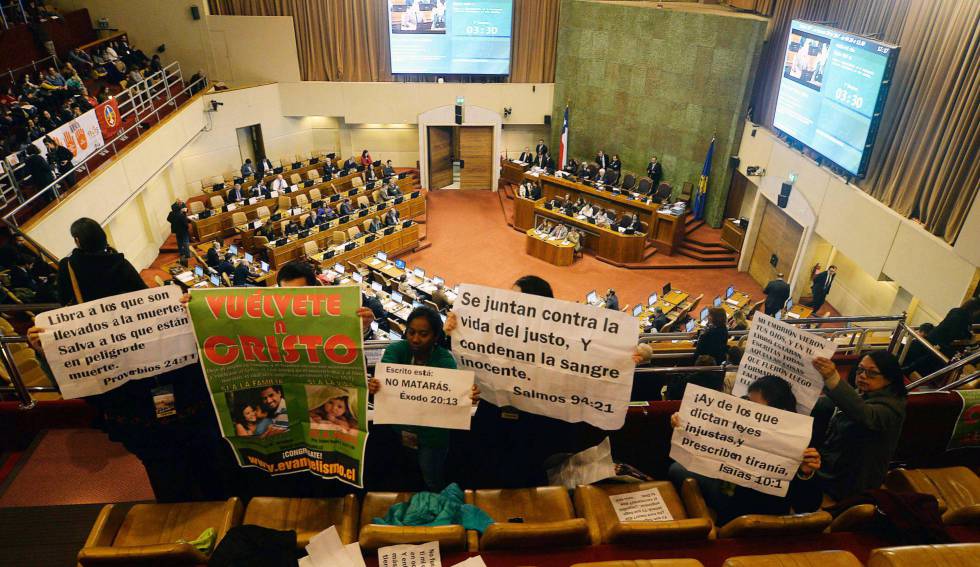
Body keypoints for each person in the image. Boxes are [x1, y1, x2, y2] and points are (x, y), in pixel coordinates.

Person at [31, 218, 232, 502]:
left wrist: (197, 312)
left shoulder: (159, 319)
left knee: (180, 480)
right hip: (160, 422)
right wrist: (49, 347)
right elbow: (79, 384)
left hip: (168, 421)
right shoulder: (120, 267)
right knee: (189, 477)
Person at [669, 375, 821, 525]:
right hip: (726, 487)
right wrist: (686, 428)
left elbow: (809, 506)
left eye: (756, 410)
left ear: (778, 413)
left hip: (755, 509)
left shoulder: (798, 442)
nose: (749, 412)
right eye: (748, 404)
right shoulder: (739, 425)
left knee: (678, 470)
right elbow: (707, 448)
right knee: (677, 469)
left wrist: (805, 474)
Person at [367, 307, 480, 491]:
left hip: (433, 438)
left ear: (436, 336)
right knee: (406, 474)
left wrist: (466, 396)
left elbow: (454, 394)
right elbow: (386, 377)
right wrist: (376, 385)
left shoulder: (445, 359)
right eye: (411, 332)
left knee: (432, 478)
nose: (415, 339)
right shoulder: (396, 349)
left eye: (423, 334)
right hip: (400, 431)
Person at [811, 352, 907, 501]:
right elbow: (826, 404)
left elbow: (864, 414)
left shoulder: (892, 407)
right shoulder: (863, 393)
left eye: (872, 373)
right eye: (860, 370)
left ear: (889, 378)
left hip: (849, 484)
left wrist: (832, 378)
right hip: (831, 466)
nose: (863, 376)